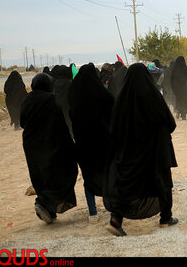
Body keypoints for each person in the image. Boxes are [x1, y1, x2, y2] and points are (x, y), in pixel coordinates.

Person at [103, 63, 178, 236]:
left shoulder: (122, 99)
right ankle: (165, 217)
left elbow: (113, 128)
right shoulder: (153, 96)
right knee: (161, 180)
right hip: (155, 151)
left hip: (129, 154)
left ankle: (116, 219)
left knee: (126, 182)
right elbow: (170, 124)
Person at [20, 73, 78, 224]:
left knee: (40, 176)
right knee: (60, 174)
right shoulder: (50, 100)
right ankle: (43, 203)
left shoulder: (27, 100)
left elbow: (22, 122)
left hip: (31, 146)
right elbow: (59, 123)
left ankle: (49, 211)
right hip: (50, 144)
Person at [68, 63, 114, 223]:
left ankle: (92, 212)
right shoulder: (100, 92)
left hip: (83, 142)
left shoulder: (74, 93)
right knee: (108, 174)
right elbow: (112, 110)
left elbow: (71, 115)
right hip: (103, 142)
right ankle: (112, 208)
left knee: (88, 176)